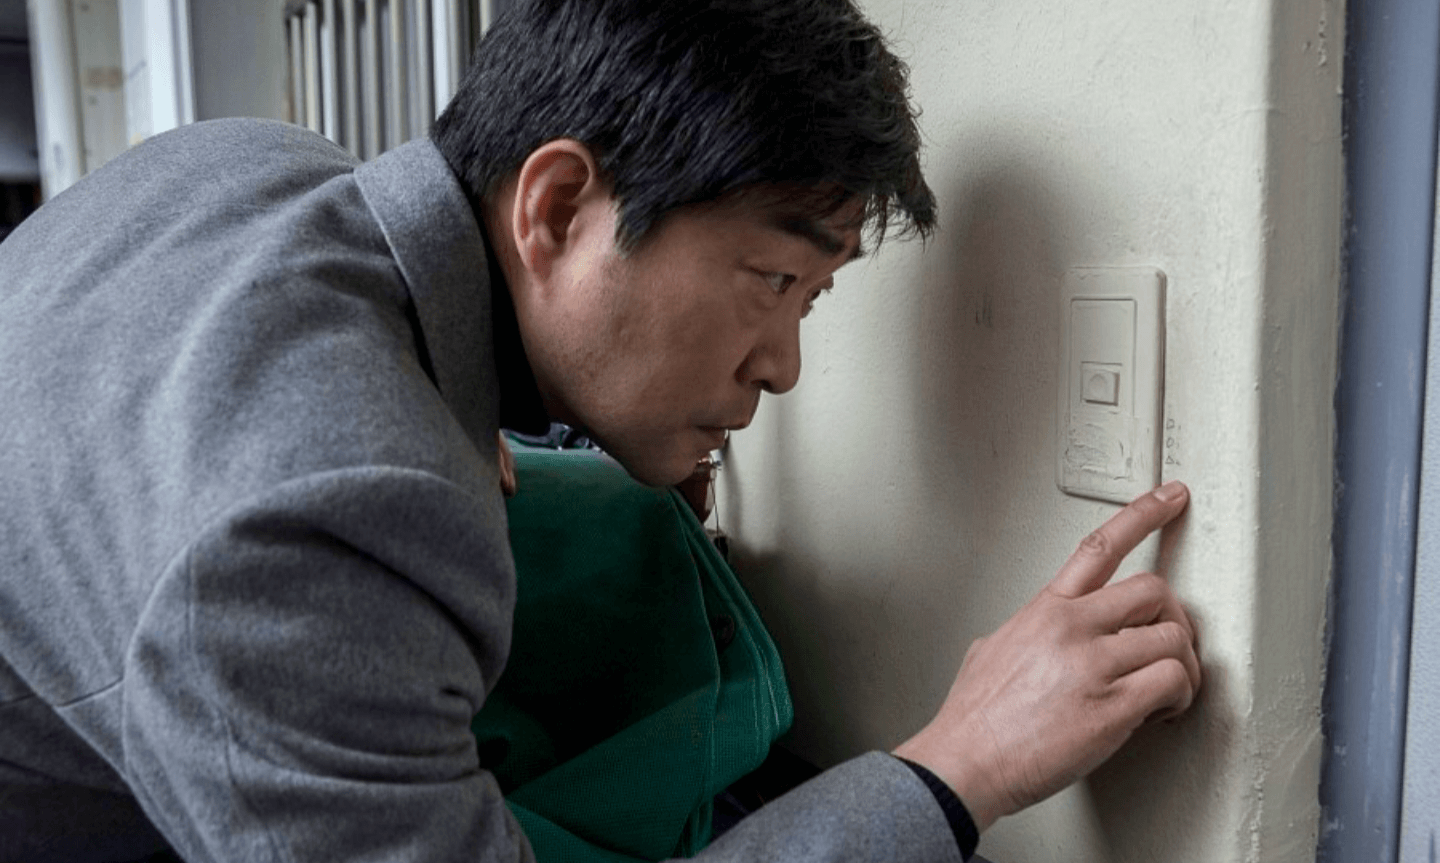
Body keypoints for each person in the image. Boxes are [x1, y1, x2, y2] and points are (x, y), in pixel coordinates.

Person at [0, 0, 1200, 860]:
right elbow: (300, 501)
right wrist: (956, 766)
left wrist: (466, 418)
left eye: (812, 300)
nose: (783, 366)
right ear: (559, 204)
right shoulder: (326, 529)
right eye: (773, 281)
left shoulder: (250, 166)